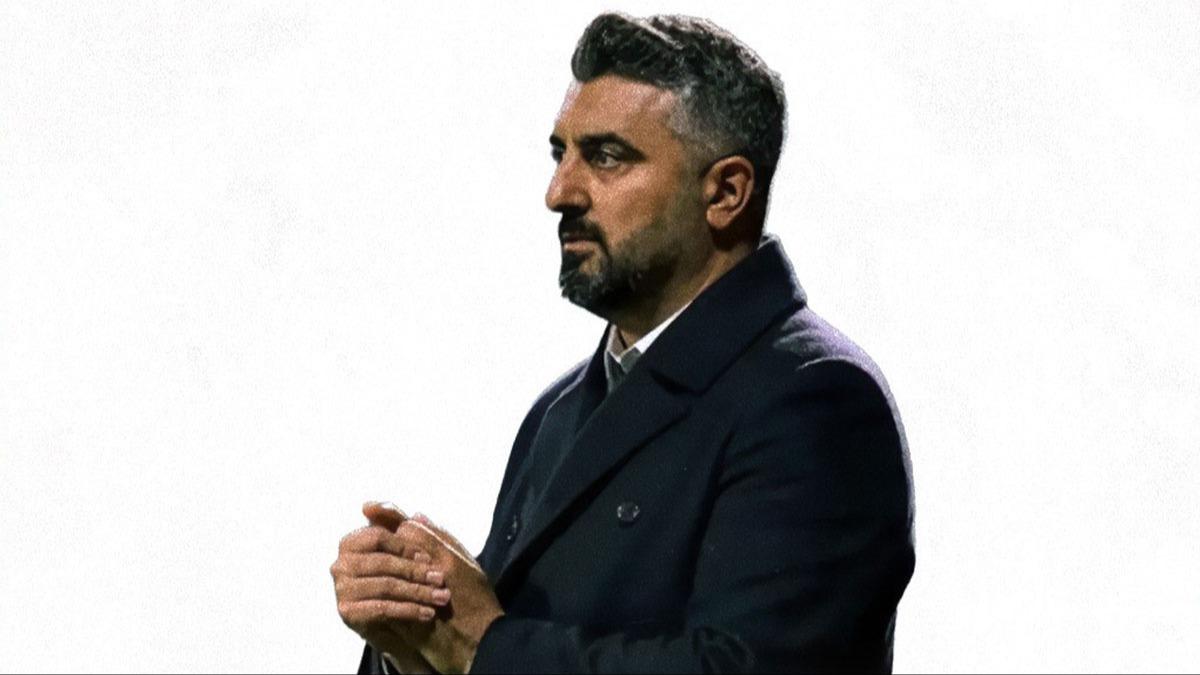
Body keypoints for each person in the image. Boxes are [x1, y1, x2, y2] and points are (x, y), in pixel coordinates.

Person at [330, 12, 915, 673]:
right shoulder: (559, 410)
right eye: (560, 154)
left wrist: (477, 645)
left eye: (606, 157)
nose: (559, 192)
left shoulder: (817, 401)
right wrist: (413, 635)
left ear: (726, 192)